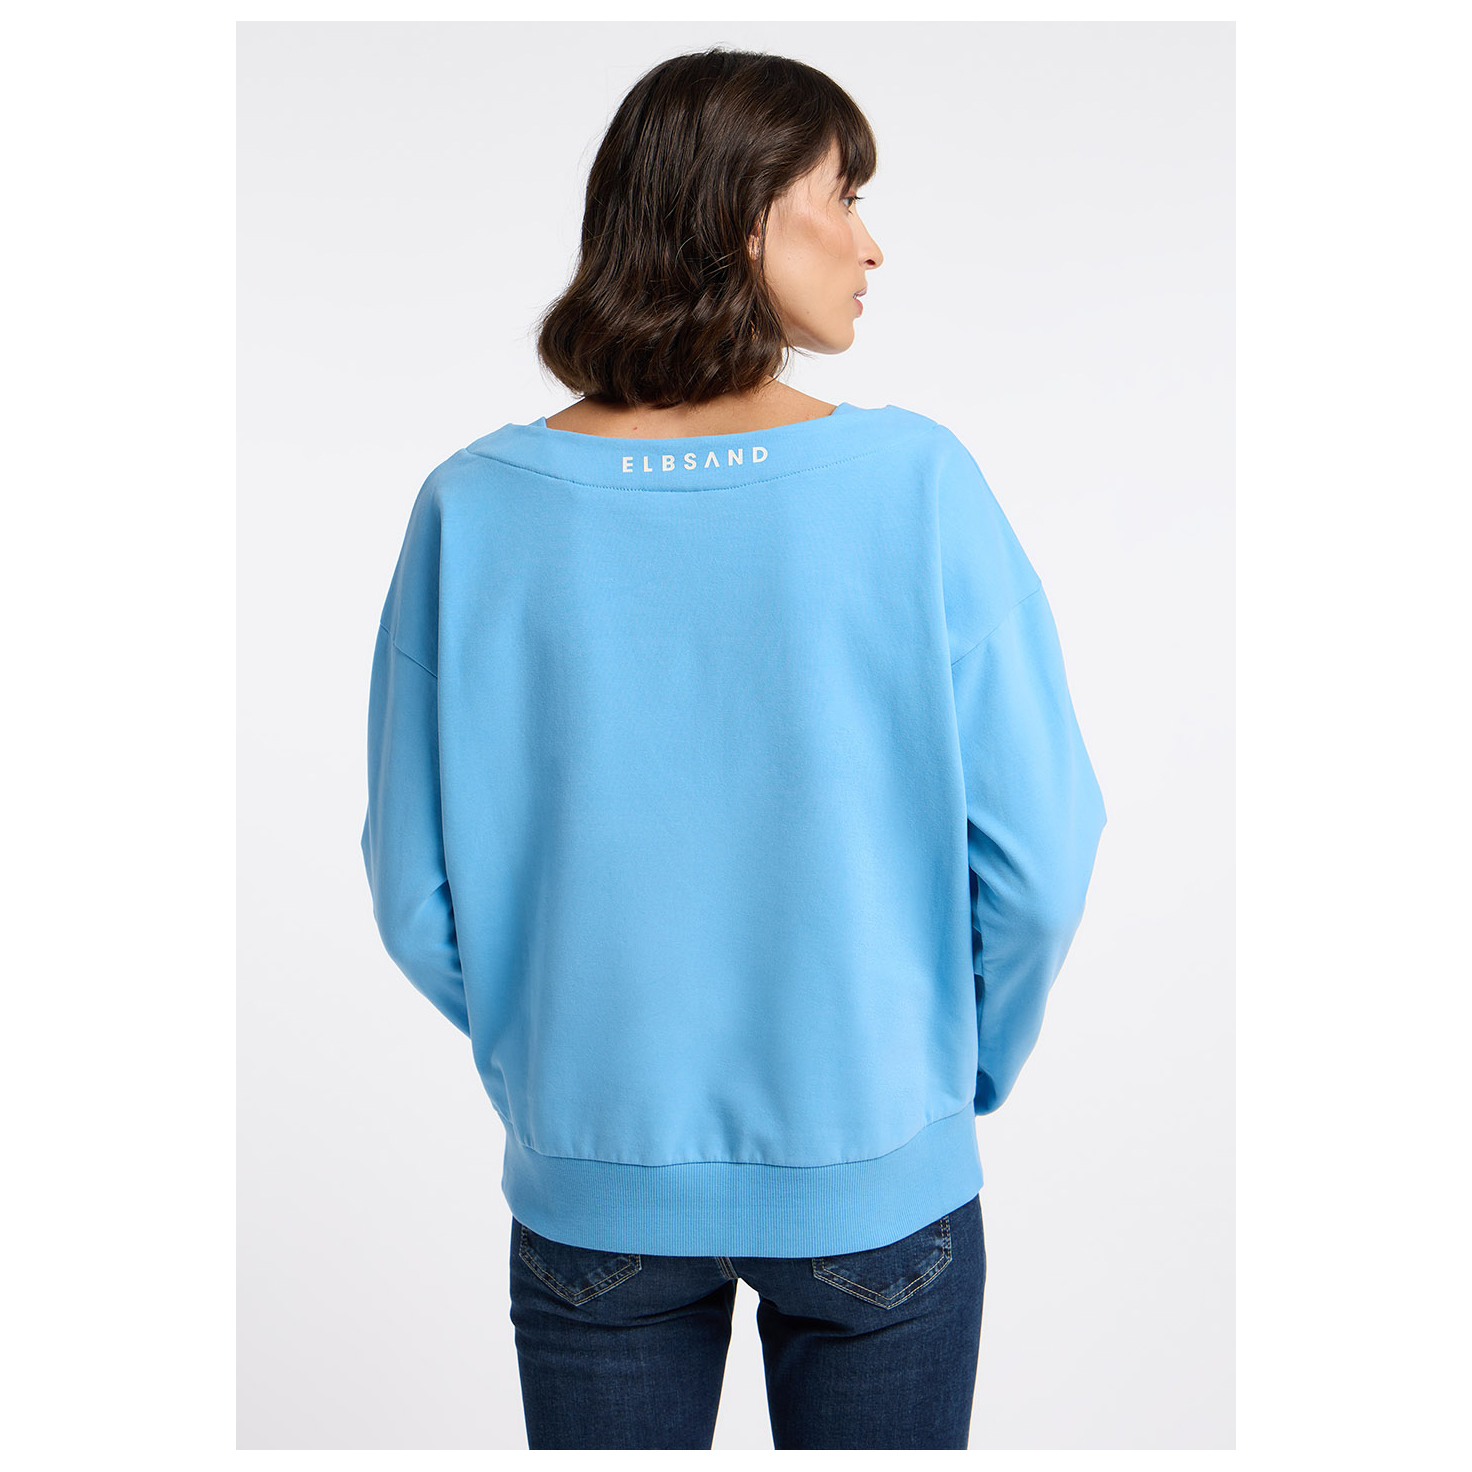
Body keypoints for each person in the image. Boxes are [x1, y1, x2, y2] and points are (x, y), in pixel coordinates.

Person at [360, 46, 1107, 1451]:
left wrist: (567, 1072)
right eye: (846, 196)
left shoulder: (472, 506)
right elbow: (1039, 860)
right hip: (878, 1173)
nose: (873, 245)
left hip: (592, 1183)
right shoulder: (914, 484)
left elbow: (415, 896)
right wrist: (947, 1081)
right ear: (746, 214)